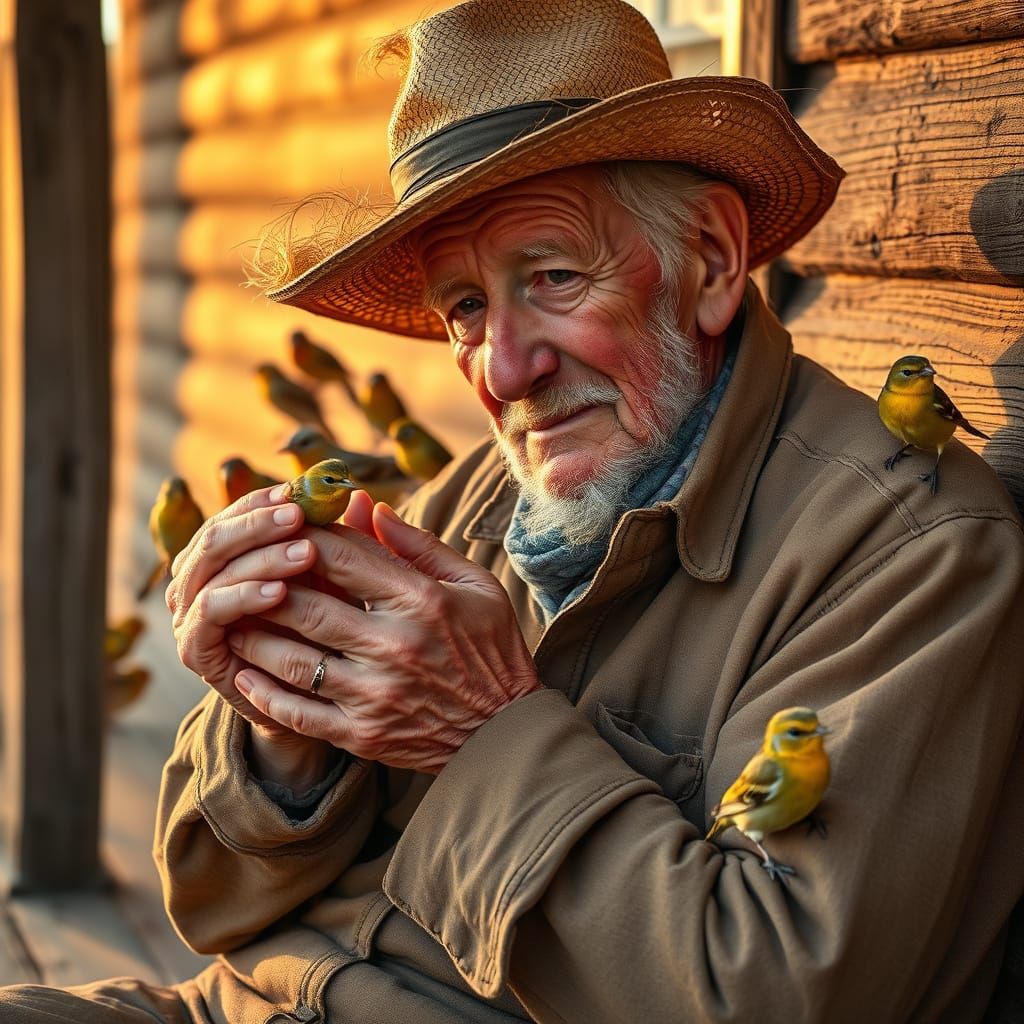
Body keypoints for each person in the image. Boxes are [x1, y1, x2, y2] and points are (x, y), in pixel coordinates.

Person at [3, 0, 1023, 1020]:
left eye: (552, 276)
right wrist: (287, 725)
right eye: (465, 307)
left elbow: (768, 994)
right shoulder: (474, 500)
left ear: (709, 261)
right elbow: (210, 903)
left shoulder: (906, 551)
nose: (501, 368)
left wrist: (477, 728)